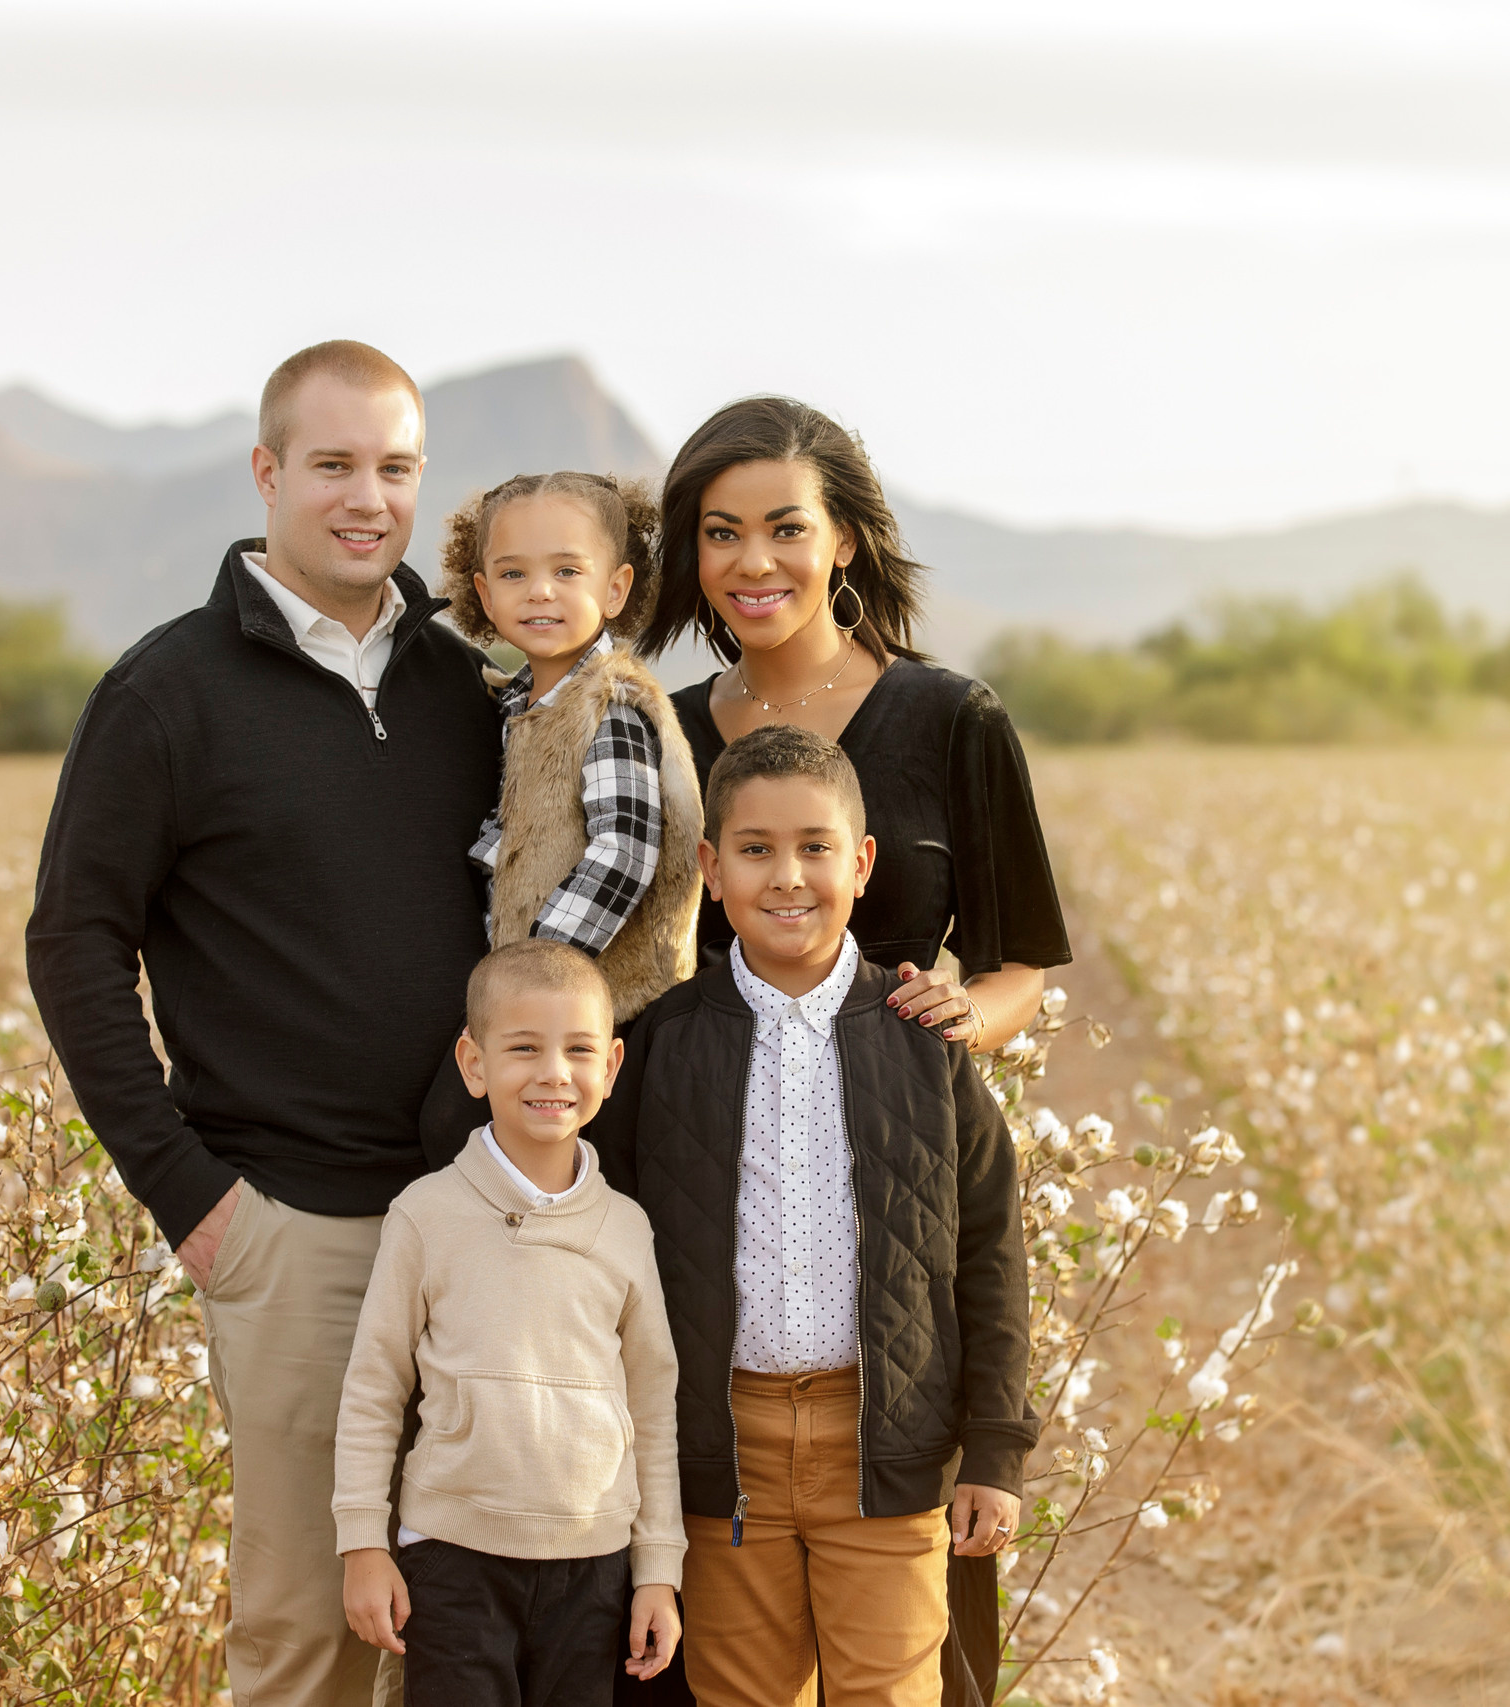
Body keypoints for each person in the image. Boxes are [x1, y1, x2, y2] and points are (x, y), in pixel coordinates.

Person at [26, 340, 501, 1706]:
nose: (369, 498)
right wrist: (190, 1196)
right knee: (308, 1636)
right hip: (295, 1231)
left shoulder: (468, 689)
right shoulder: (166, 694)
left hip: (477, 1221)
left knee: (466, 1625)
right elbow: (74, 941)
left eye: (396, 468)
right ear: (267, 471)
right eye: (334, 464)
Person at [595, 726, 1034, 1707]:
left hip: (885, 1450)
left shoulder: (923, 1041)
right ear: (711, 870)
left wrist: (996, 1448)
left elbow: (990, 1251)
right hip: (722, 1453)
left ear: (862, 864)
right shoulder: (664, 1045)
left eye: (815, 847)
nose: (787, 876)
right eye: (755, 849)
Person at [639, 395, 1071, 1055]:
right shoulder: (657, 735)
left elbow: (1017, 969)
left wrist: (963, 1019)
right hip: (701, 1109)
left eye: (788, 530)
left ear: (843, 539)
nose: (753, 562)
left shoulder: (953, 718)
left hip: (897, 1105)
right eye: (722, 533)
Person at [334, 940, 686, 1705]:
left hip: (594, 1564)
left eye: (579, 1050)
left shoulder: (627, 1229)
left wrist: (659, 1568)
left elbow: (654, 1406)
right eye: (524, 1047)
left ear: (611, 1067)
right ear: (474, 1063)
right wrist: (362, 1541)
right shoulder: (425, 1214)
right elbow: (373, 1385)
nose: (554, 1072)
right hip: (452, 1556)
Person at [442, 472, 702, 1024]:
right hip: (541, 1007)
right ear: (486, 594)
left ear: (615, 589)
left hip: (608, 1013)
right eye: (513, 573)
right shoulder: (516, 705)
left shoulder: (610, 705)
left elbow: (623, 853)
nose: (540, 590)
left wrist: (533, 974)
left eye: (566, 571)